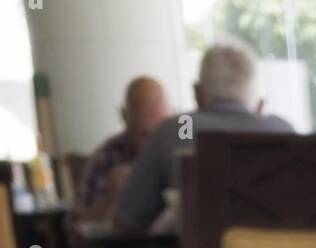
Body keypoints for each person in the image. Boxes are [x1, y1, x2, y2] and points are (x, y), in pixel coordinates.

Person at [114, 41, 294, 233]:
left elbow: (126, 223)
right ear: (254, 97)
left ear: (197, 93)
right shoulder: (283, 130)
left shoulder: (175, 130)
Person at [73, 77, 171, 225]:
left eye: (161, 132)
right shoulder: (106, 159)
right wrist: (109, 202)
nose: (154, 144)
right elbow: (75, 233)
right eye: (145, 134)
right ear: (124, 117)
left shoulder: (180, 153)